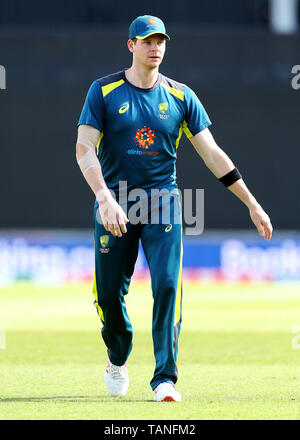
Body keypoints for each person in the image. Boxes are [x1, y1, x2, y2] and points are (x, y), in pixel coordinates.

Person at [76, 15, 273, 402]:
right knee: (108, 297)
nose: (156, 47)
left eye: (161, 40)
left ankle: (164, 378)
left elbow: (212, 154)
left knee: (168, 286)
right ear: (131, 45)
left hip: (163, 204)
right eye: (147, 40)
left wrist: (251, 202)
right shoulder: (103, 91)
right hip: (115, 203)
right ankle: (117, 356)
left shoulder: (182, 96)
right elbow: (84, 148)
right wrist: (104, 196)